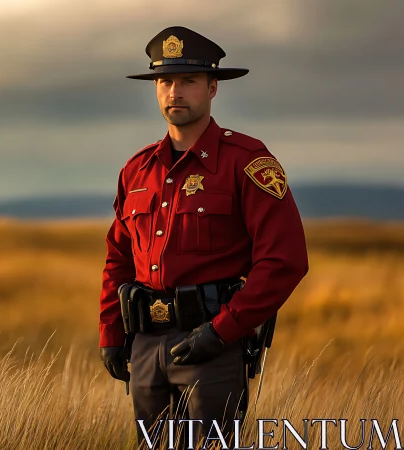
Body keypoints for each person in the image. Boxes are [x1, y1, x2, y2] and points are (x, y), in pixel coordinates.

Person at [97, 26, 309, 446]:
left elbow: (284, 261)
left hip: (212, 347)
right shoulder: (137, 171)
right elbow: (118, 259)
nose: (174, 92)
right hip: (144, 347)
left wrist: (223, 331)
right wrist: (111, 333)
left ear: (213, 88)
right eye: (165, 81)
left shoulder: (247, 161)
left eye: (188, 81)